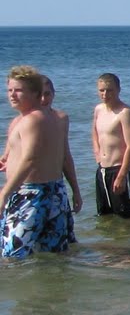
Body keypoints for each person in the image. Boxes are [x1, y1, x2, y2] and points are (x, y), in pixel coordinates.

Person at [2, 65, 75, 258]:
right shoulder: (49, 117)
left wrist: (3, 194)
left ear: (35, 93)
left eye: (19, 90)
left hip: (30, 196)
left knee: (13, 256)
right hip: (52, 192)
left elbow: (30, 160)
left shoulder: (32, 120)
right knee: (55, 256)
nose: (12, 95)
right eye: (10, 90)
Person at [91, 73, 130, 218]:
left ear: (118, 90)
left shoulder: (125, 113)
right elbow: (94, 132)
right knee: (105, 217)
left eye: (109, 90)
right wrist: (97, 153)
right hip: (102, 171)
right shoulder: (98, 109)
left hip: (121, 170)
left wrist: (122, 176)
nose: (105, 94)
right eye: (101, 90)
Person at [40, 76, 85, 222]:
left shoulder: (61, 119)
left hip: (56, 186)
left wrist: (76, 191)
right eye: (39, 94)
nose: (43, 99)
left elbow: (65, 156)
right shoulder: (24, 120)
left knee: (61, 233)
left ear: (54, 94)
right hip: (30, 188)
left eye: (47, 94)